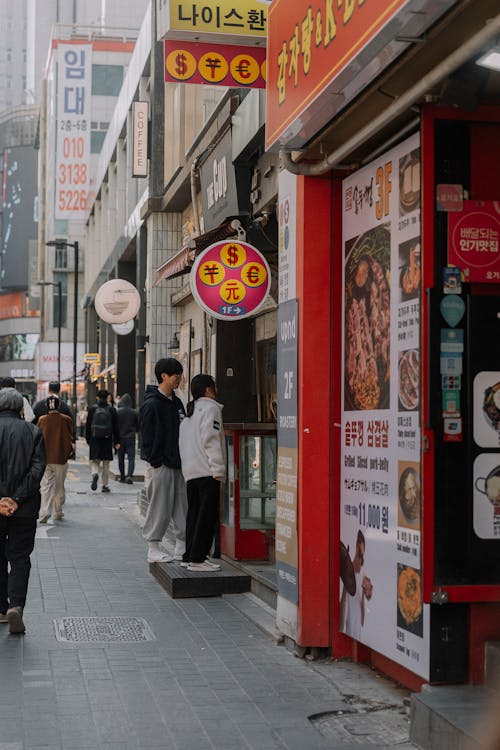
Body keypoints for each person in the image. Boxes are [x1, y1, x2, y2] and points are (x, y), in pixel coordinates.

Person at [0, 388, 46, 634]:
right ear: (20, 409)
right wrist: (16, 499)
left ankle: (0, 607)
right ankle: (16, 606)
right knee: (19, 558)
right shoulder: (33, 432)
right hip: (24, 507)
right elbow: (38, 469)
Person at [140, 358, 187, 564]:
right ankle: (153, 547)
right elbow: (146, 436)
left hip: (179, 461)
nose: (179, 378)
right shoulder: (151, 404)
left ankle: (181, 545)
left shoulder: (176, 401)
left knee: (181, 505)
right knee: (159, 505)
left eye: (180, 373)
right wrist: (155, 462)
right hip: (162, 463)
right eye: (175, 374)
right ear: (163, 376)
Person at [179, 374, 225, 572]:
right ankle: (198, 559)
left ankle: (189, 556)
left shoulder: (190, 412)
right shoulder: (211, 408)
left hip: (191, 471)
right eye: (214, 385)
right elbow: (211, 439)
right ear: (208, 389)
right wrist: (218, 468)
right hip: (207, 471)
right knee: (207, 516)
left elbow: (183, 442)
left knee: (194, 514)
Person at [37, 396, 74, 523]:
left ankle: (44, 512)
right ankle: (57, 512)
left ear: (47, 406)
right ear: (59, 406)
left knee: (46, 485)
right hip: (61, 457)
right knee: (59, 486)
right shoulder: (66, 419)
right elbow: (71, 437)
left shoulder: (42, 420)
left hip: (45, 457)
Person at [339, 529, 373, 640]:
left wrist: (367, 592)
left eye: (362, 556)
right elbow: (343, 601)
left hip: (357, 616)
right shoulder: (349, 571)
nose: (360, 560)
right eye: (359, 554)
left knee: (356, 634)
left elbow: (368, 597)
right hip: (351, 617)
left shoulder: (363, 573)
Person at [85, 389, 120, 493]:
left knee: (95, 461)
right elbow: (116, 427)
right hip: (107, 439)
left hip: (95, 439)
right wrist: (117, 441)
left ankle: (95, 474)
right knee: (106, 463)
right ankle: (105, 485)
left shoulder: (92, 409)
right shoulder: (112, 410)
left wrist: (88, 439)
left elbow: (88, 426)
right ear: (107, 398)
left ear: (97, 397)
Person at [116, 393, 139, 483]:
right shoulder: (134, 412)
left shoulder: (118, 412)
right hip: (130, 438)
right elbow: (137, 426)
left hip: (120, 438)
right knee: (131, 458)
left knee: (120, 458)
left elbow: (115, 426)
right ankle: (129, 475)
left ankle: (122, 476)